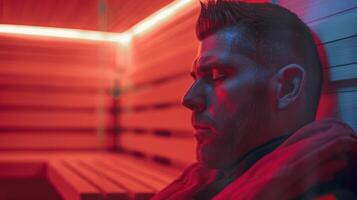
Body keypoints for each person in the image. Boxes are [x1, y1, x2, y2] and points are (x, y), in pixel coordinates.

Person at [151, 1, 357, 199]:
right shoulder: (204, 181)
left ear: (287, 87)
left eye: (217, 74)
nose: (189, 99)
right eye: (196, 78)